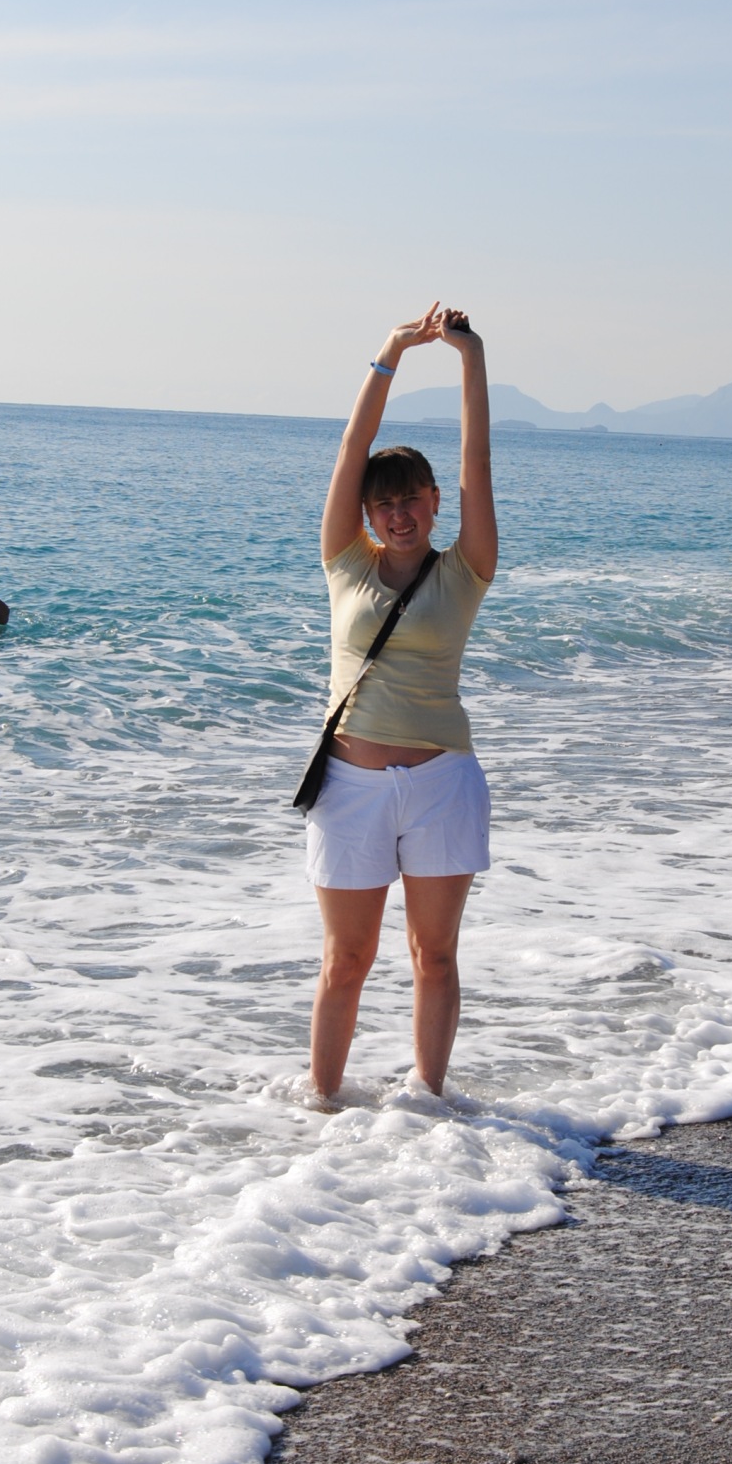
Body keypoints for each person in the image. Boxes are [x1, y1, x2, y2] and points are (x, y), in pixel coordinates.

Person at [306, 302, 498, 1101]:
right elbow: (351, 449)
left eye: (411, 499)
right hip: (348, 786)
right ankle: (319, 1107)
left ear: (434, 501)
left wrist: (468, 357)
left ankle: (428, 1104)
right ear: (366, 513)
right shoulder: (345, 563)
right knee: (346, 960)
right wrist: (390, 350)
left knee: (435, 956)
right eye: (383, 503)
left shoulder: (464, 570)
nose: (398, 513)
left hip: (440, 784)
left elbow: (476, 459)